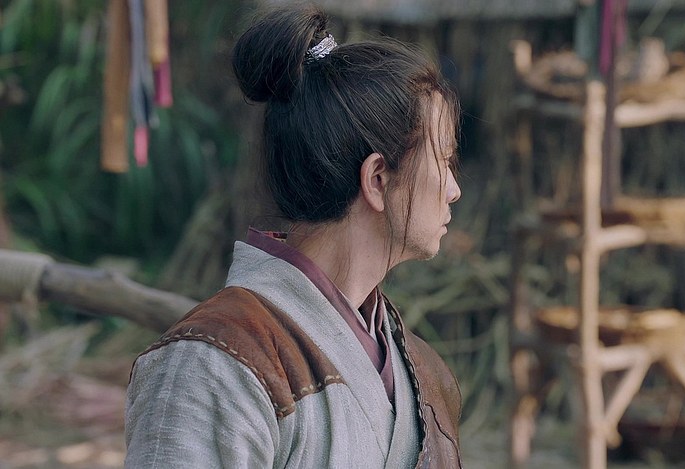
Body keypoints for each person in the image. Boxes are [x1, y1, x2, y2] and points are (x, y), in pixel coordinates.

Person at [124, 3, 463, 468]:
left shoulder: (417, 366)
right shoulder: (210, 365)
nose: (453, 188)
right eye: (443, 159)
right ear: (378, 179)